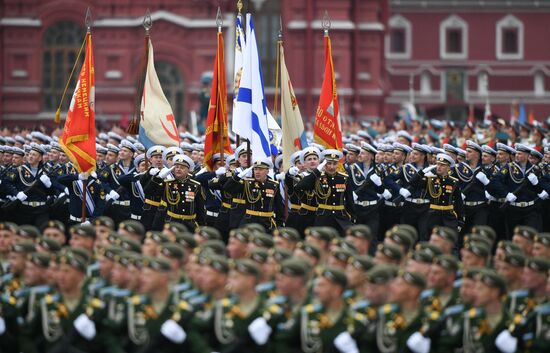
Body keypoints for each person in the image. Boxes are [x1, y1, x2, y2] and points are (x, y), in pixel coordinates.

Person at [295, 149, 355, 233]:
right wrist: (316, 171)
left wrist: (352, 217)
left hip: (341, 218)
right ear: (324, 164)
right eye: (329, 163)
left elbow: (350, 201)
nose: (332, 167)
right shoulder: (318, 178)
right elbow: (300, 187)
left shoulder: (344, 178)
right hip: (323, 218)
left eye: (334, 164)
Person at [224, 157, 284, 231]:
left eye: (261, 169)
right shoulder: (248, 183)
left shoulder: (273, 185)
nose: (257, 172)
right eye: (255, 169)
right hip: (250, 222)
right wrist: (238, 176)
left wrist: (280, 224)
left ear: (267, 171)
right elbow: (227, 188)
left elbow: (279, 206)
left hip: (267, 223)